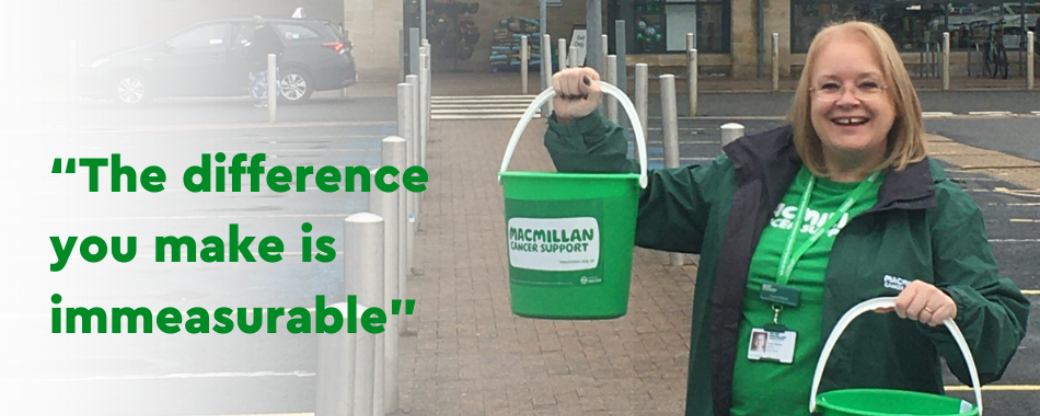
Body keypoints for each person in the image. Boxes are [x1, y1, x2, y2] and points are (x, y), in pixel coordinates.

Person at [543, 21, 1029, 416]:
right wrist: (581, 124)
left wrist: (953, 308)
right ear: (808, 99)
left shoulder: (934, 205)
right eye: (830, 86)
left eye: (867, 85)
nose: (847, 100)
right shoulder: (747, 178)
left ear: (897, 100)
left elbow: (998, 332)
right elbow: (641, 204)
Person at [247, 16, 284, 108]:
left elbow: (258, 49)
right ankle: (270, 99)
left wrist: (255, 61)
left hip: (261, 62)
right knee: (271, 81)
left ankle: (264, 100)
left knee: (262, 81)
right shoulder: (271, 31)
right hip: (273, 60)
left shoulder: (258, 33)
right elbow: (280, 45)